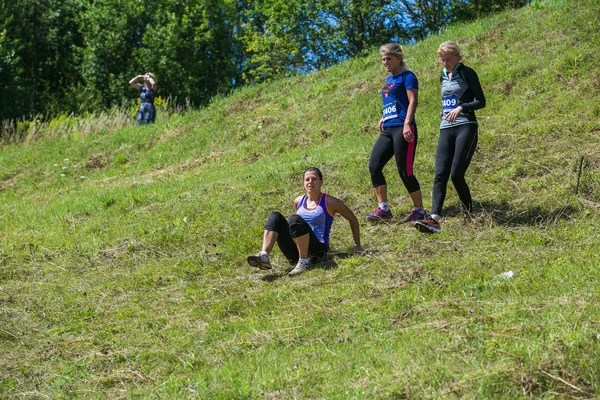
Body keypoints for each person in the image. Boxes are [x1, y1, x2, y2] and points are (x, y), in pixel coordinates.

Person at [415, 41, 486, 234]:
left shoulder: (467, 73)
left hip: (466, 125)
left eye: (448, 59)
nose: (445, 63)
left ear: (457, 57)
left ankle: (469, 214)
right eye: (442, 59)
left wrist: (462, 107)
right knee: (440, 174)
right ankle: (434, 219)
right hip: (446, 128)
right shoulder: (443, 76)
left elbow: (481, 101)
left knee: (456, 174)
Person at [247, 167, 363, 277]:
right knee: (275, 216)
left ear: (321, 182)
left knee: (294, 219)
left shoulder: (330, 201)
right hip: (295, 252)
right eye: (307, 179)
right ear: (303, 183)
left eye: (314, 179)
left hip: (318, 251)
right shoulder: (298, 201)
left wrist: (357, 244)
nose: (310, 182)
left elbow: (352, 218)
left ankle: (304, 262)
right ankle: (264, 256)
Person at [366, 43, 426, 223]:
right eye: (383, 59)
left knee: (405, 171)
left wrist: (407, 123)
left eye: (389, 59)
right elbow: (392, 102)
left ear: (399, 58)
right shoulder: (388, 81)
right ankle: (383, 208)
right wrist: (384, 117)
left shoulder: (408, 77)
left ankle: (420, 210)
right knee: (374, 165)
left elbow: (412, 100)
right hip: (388, 128)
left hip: (403, 128)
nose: (385, 62)